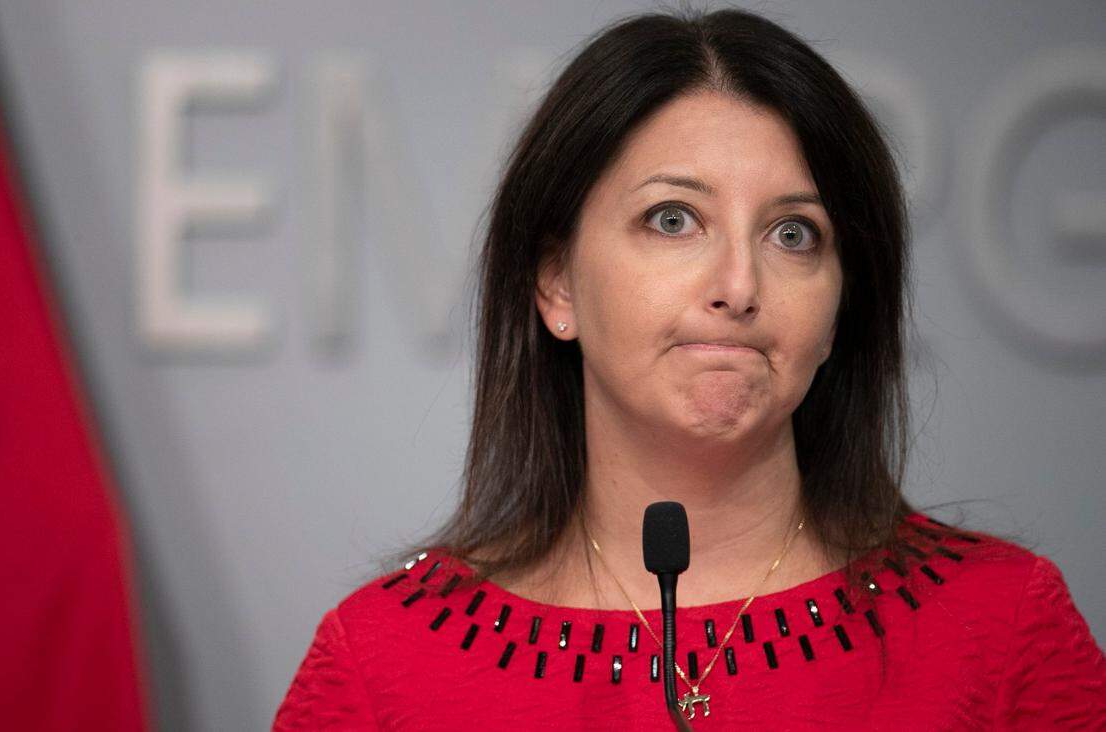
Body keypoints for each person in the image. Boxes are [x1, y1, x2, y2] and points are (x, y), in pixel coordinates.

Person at [273, 7, 1105, 729]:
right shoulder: (380, 661)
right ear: (556, 282)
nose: (739, 286)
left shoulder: (1004, 627)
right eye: (673, 220)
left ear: (841, 305)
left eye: (793, 235)